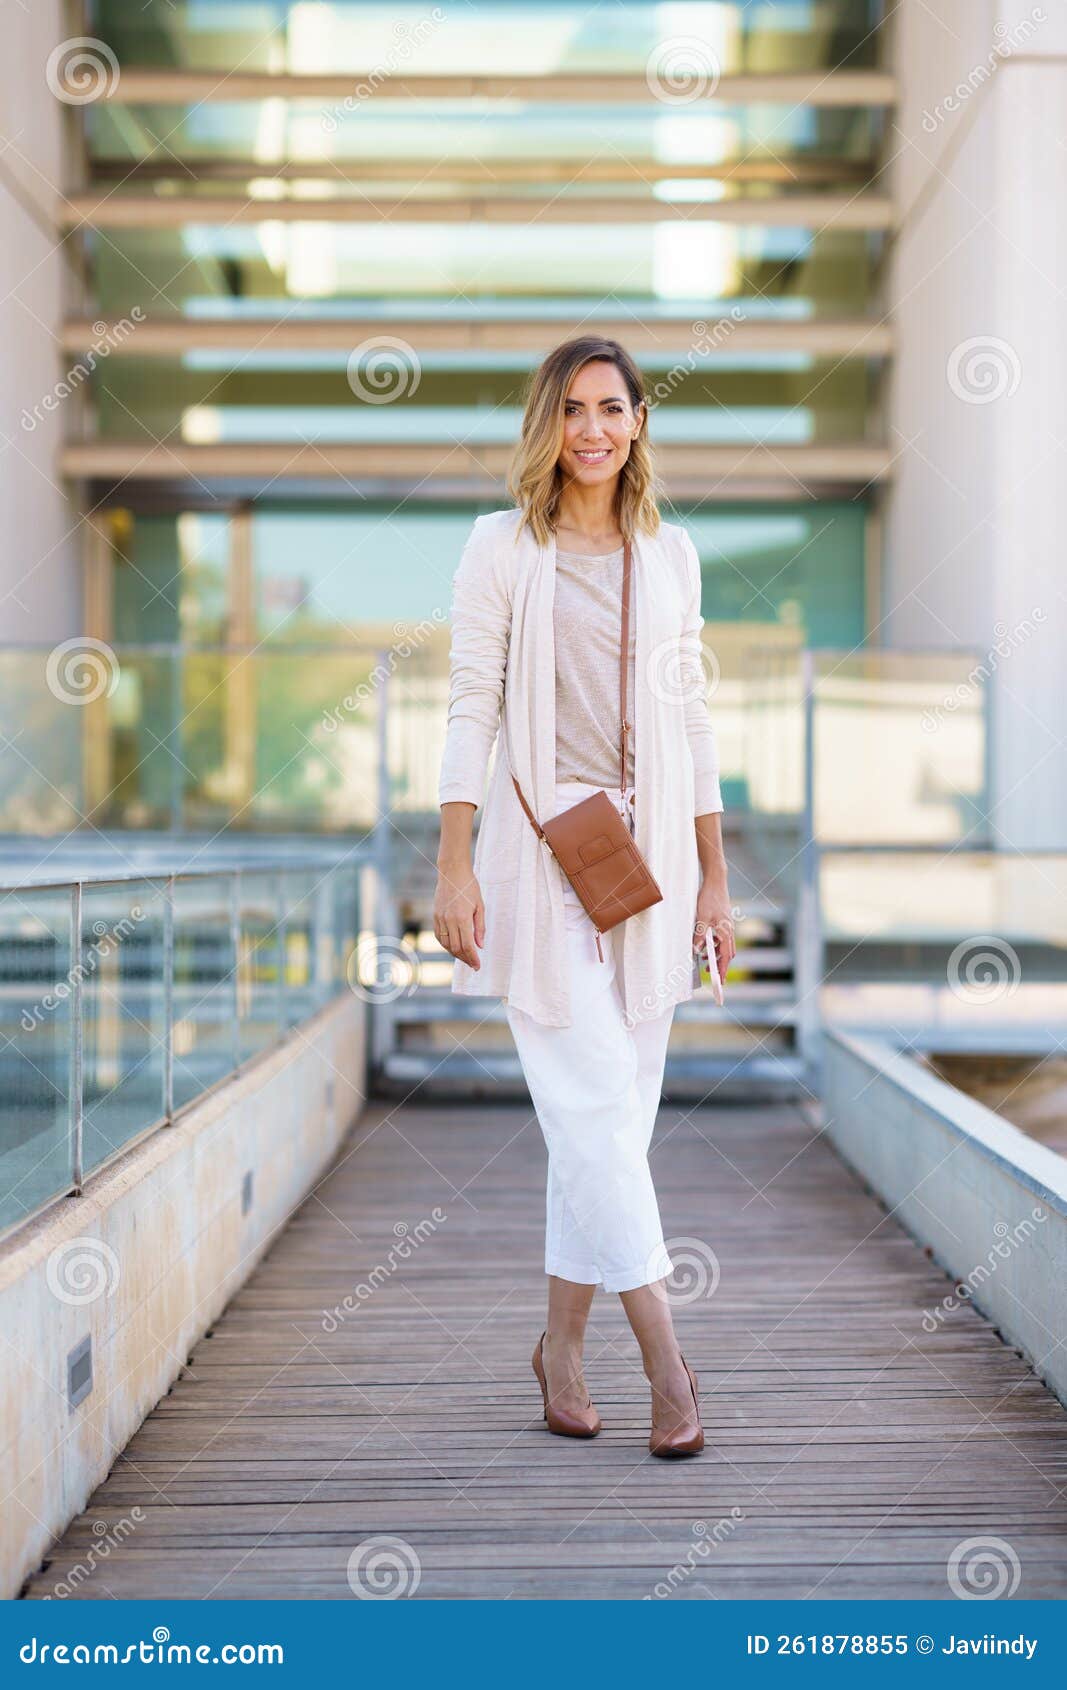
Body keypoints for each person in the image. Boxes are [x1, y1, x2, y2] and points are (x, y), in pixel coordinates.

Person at [434, 336, 735, 1458]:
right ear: (546, 425)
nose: (593, 429)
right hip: (534, 859)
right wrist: (452, 861)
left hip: (645, 866)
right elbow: (471, 705)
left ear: (640, 421)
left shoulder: (671, 556)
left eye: (611, 407)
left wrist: (712, 876)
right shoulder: (498, 548)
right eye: (571, 410)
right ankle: (667, 1360)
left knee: (603, 1129)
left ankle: (559, 1349)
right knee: (596, 1108)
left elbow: (693, 721)